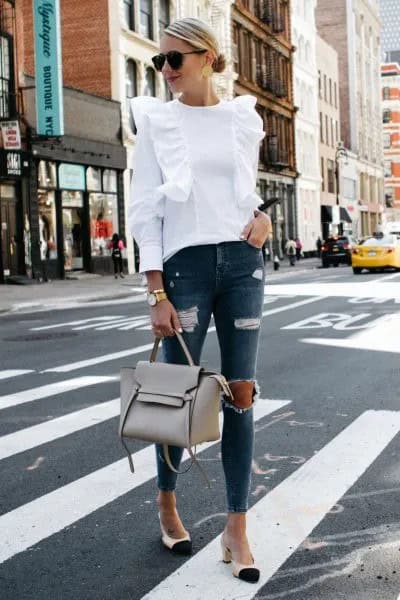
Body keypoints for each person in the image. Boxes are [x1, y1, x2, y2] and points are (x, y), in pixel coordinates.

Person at [128, 17, 271, 583]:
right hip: (183, 272)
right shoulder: (157, 119)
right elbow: (146, 211)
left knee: (240, 394)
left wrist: (262, 218)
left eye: (175, 60)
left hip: (241, 266)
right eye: (160, 61)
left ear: (208, 57)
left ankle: (236, 528)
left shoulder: (242, 117)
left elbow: (244, 193)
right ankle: (167, 503)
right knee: (173, 395)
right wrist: (156, 289)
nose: (165, 71)